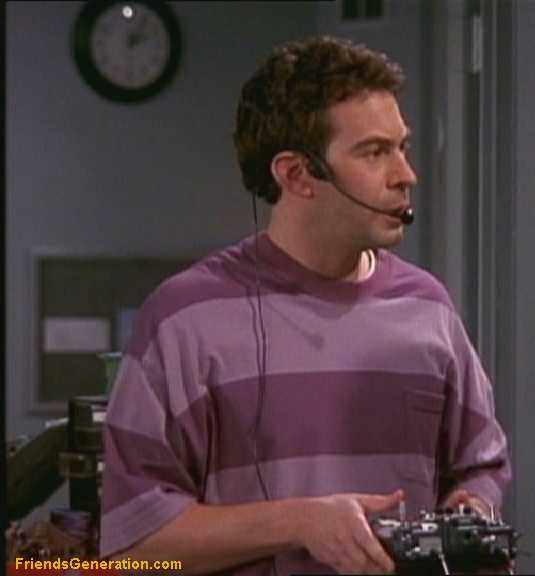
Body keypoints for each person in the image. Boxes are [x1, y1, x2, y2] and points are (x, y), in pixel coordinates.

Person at [100, 36, 511, 576]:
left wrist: (471, 514)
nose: (406, 174)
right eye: (374, 152)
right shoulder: (185, 320)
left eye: (403, 147)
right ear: (296, 175)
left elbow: (480, 468)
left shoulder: (427, 307)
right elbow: (132, 548)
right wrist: (300, 523)